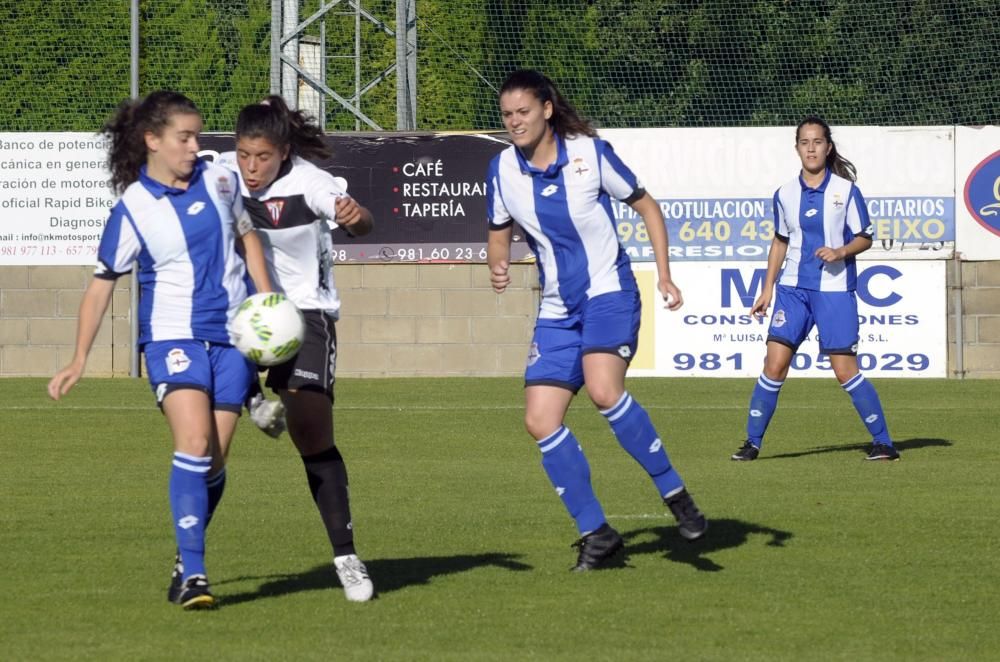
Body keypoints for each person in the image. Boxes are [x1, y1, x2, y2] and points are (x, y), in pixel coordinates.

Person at [47, 91, 273, 610]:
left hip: (231, 338)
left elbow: (248, 237)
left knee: (214, 463)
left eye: (197, 136)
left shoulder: (221, 180)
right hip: (172, 337)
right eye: (184, 137)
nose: (196, 146)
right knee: (193, 442)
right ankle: (195, 575)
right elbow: (102, 283)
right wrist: (80, 357)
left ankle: (182, 559)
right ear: (153, 140)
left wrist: (267, 303)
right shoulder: (132, 209)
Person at [485, 69, 708, 572]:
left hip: (610, 293)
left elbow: (647, 207)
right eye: (506, 115)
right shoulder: (501, 169)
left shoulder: (588, 153)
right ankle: (598, 534)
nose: (514, 122)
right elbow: (498, 231)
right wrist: (497, 262)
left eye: (523, 112)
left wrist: (665, 276)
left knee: (604, 389)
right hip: (557, 309)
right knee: (539, 420)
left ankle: (676, 496)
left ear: (546, 109)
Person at [215, 96, 376, 602]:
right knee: (210, 442)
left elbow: (362, 222)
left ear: (283, 151)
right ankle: (189, 563)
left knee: (310, 434)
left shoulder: (311, 183)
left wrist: (355, 216)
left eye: (262, 156)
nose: (251, 167)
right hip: (242, 313)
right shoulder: (221, 174)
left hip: (305, 315)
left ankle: (347, 557)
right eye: (243, 154)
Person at [731, 116, 899, 462]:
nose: (811, 148)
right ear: (797, 148)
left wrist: (840, 251)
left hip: (834, 290)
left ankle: (883, 442)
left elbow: (865, 237)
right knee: (774, 364)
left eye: (818, 142)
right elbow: (779, 242)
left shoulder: (845, 191)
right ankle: (752, 443)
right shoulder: (784, 194)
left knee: (844, 370)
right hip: (792, 290)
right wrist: (766, 289)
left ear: (828, 146)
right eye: (805, 142)